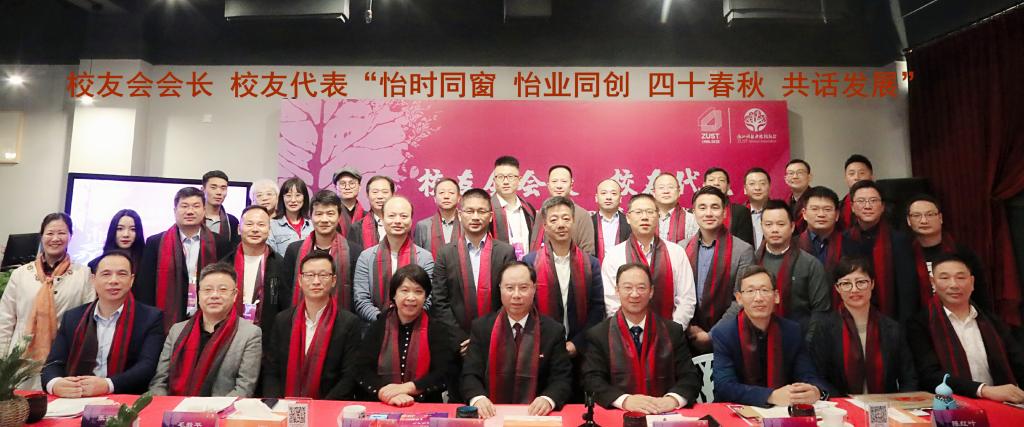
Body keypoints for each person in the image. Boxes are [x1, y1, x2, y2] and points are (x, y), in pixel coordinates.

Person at [582, 263, 702, 412]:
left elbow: (690, 377)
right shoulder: (599, 334)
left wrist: (672, 400)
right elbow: (592, 381)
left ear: (651, 291)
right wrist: (625, 401)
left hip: (663, 414)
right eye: (627, 287)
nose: (634, 294)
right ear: (617, 291)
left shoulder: (672, 331)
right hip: (619, 414)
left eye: (641, 288)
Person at [43, 251, 164, 396]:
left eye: (122, 274)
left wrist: (108, 385)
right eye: (106, 274)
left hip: (126, 399)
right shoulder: (73, 317)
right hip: (76, 397)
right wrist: (55, 384)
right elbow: (53, 364)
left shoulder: (151, 317)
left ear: (131, 280)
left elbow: (147, 367)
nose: (113, 280)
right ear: (93, 279)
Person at [906, 254, 1024, 403]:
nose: (954, 285)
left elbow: (1018, 362)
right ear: (933, 283)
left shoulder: (992, 322)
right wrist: (983, 390)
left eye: (961, 277)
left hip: (1000, 404)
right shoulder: (919, 324)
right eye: (944, 278)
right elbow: (929, 376)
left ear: (972, 282)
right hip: (947, 407)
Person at [461, 262, 572, 418]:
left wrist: (548, 399)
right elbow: (469, 375)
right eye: (509, 288)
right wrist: (478, 398)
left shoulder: (553, 330)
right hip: (491, 414)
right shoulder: (482, 327)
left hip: (535, 416)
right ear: (500, 289)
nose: (516, 295)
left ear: (534, 288)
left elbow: (562, 378)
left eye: (524, 288)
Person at [0, 213, 95, 389]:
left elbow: (88, 322)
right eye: (50, 233)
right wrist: (2, 361)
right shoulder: (21, 274)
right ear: (41, 236)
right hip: (21, 359)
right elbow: (5, 320)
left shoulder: (83, 275)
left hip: (62, 359)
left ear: (70, 236)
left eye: (62, 233)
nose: (55, 238)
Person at [711, 265, 829, 407]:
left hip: (783, 410)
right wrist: (770, 396)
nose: (758, 298)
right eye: (750, 291)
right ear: (739, 298)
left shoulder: (791, 331)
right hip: (735, 410)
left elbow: (807, 374)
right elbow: (725, 386)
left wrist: (815, 391)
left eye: (765, 290)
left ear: (776, 296)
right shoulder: (724, 333)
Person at [808, 257, 917, 396]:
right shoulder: (825, 328)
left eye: (861, 282)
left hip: (887, 405)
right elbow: (819, 378)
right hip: (840, 406)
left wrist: (901, 404)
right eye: (846, 284)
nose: (854, 290)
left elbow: (909, 378)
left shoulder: (892, 329)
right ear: (837, 288)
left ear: (872, 284)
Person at [149, 263, 262, 397]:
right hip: (174, 406)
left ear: (235, 295)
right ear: (199, 294)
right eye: (207, 290)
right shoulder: (177, 331)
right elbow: (160, 381)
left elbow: (244, 389)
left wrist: (209, 409)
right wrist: (168, 405)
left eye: (223, 290)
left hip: (221, 408)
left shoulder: (249, 334)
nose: (214, 295)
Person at [262, 251, 364, 399]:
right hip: (285, 406)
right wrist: (276, 404)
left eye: (323, 275)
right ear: (300, 280)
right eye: (309, 275)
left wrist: (320, 407)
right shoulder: (282, 320)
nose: (316, 281)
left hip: (328, 407)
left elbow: (349, 377)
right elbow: (272, 371)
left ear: (334, 280)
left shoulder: (349, 323)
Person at [429, 189, 518, 355]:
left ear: (490, 216)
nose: (475, 217)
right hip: (456, 344)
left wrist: (486, 336)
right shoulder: (446, 253)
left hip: (496, 339)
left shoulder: (505, 252)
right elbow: (439, 300)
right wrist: (460, 339)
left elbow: (510, 298)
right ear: (460, 215)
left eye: (481, 211)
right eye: (469, 211)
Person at [356, 264, 457, 405]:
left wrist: (409, 387)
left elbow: (444, 372)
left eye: (418, 291)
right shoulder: (379, 326)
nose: (411, 297)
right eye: (404, 290)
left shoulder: (437, 329)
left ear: (426, 296)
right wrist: (383, 392)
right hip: (382, 403)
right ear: (394, 294)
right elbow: (361, 369)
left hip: (425, 404)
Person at [136, 187, 232, 331]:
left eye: (196, 206)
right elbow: (145, 288)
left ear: (204, 210)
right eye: (184, 206)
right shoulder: (155, 243)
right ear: (175, 210)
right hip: (165, 320)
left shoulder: (221, 243)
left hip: (208, 320)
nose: (190, 211)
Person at [522, 197, 604, 362]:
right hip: (541, 348)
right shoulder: (530, 262)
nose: (561, 224)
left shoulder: (591, 264)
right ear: (545, 226)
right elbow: (526, 307)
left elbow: (597, 308)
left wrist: (577, 343)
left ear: (573, 222)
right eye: (554, 220)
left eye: (566, 219)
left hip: (581, 350)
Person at [601, 193, 696, 328]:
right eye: (638, 212)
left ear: (658, 216)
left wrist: (673, 330)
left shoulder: (676, 252)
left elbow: (687, 298)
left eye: (650, 212)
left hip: (670, 332)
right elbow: (611, 301)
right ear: (628, 218)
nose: (644, 217)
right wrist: (632, 331)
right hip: (626, 333)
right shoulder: (614, 255)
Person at [681, 186, 754, 353]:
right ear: (694, 213)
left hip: (729, 338)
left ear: (724, 212)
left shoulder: (743, 250)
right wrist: (689, 329)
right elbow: (677, 295)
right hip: (687, 338)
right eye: (702, 207)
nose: (708, 213)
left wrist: (711, 335)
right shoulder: (682, 248)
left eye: (714, 207)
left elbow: (741, 299)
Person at [741, 200, 830, 332]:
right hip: (758, 337)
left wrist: (808, 341)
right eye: (768, 224)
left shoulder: (810, 264)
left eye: (781, 224)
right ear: (761, 226)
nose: (774, 229)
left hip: (801, 337)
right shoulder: (752, 261)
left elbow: (821, 311)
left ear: (792, 227)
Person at [841, 180, 918, 321]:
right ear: (852, 207)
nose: (867, 206)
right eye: (861, 201)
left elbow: (907, 289)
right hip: (854, 316)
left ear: (882, 207)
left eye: (873, 200)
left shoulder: (898, 240)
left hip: (892, 317)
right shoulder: (844, 239)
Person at [905, 194, 992, 313]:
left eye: (930, 214)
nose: (924, 220)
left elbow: (980, 294)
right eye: (916, 215)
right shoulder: (904, 255)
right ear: (909, 221)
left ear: (940, 218)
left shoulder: (962, 253)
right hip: (919, 318)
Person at [354, 196, 435, 323]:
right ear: (382, 219)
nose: (397, 221)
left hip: (415, 326)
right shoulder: (366, 257)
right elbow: (361, 299)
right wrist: (384, 321)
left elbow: (428, 298)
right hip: (376, 326)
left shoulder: (425, 258)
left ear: (411, 220)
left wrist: (407, 318)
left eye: (404, 216)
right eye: (391, 216)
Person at [282, 190, 362, 311]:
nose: (324, 219)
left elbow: (356, 295)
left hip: (342, 319)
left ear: (339, 216)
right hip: (300, 318)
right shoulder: (294, 250)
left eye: (330, 214)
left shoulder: (354, 251)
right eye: (319, 214)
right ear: (311, 216)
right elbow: (286, 293)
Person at [220, 206, 285, 346]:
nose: (255, 229)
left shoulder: (280, 264)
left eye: (261, 225)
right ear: (239, 229)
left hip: (266, 339)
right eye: (249, 224)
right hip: (227, 335)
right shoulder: (225, 264)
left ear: (269, 229)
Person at [529, 165, 596, 256]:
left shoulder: (582, 215)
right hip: (541, 263)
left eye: (564, 181)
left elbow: (588, 252)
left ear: (571, 185)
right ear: (548, 185)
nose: (559, 186)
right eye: (554, 181)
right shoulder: (541, 213)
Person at [489, 155, 537, 260]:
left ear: (519, 180)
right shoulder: (487, 210)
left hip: (527, 267)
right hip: (498, 267)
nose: (506, 182)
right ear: (494, 180)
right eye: (500, 177)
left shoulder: (529, 210)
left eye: (510, 177)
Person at [797, 186, 844, 277]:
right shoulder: (792, 245)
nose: (821, 214)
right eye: (815, 209)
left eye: (827, 209)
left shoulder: (851, 246)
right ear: (804, 214)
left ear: (837, 215)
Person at [703, 167, 755, 245]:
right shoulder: (694, 213)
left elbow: (745, 246)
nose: (716, 183)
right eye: (711, 180)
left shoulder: (741, 212)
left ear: (728, 186)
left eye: (721, 180)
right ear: (704, 185)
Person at [414, 177, 461, 259]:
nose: (446, 196)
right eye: (441, 192)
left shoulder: (466, 224)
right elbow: (418, 257)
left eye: (451, 192)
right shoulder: (423, 226)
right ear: (435, 198)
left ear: (458, 198)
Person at [87, 209, 145, 273]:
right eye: (120, 229)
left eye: (133, 229)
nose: (126, 234)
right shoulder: (94, 265)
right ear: (112, 231)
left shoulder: (147, 263)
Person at [268, 177, 313, 255]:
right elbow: (271, 257)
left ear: (304, 198)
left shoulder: (313, 225)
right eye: (288, 195)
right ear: (282, 198)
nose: (293, 200)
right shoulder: (272, 226)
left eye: (298, 195)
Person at [348, 175, 394, 248]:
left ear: (392, 194)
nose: (380, 196)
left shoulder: (400, 223)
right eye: (375, 192)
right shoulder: (357, 228)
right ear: (367, 195)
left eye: (385, 192)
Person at [592, 179, 631, 263]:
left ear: (620, 198)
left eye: (613, 193)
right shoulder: (589, 223)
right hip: (595, 270)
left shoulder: (630, 223)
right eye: (604, 193)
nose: (608, 197)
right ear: (596, 198)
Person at [652, 172, 696, 244]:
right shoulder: (646, 218)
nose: (666, 191)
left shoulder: (692, 220)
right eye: (661, 187)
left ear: (679, 192)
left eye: (670, 187)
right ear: (654, 193)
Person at [201, 170, 240, 247]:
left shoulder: (232, 221)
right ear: (203, 190)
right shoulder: (194, 218)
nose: (219, 192)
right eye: (213, 187)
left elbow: (234, 250)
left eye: (223, 188)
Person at [839, 154, 874, 230]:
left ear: (871, 176)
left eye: (862, 173)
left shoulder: (883, 206)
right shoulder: (838, 207)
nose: (857, 177)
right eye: (851, 174)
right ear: (845, 178)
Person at [743, 167, 771, 249]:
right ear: (745, 189)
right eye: (752, 184)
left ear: (769, 187)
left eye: (762, 183)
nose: (757, 188)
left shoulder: (779, 212)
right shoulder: (738, 214)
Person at [334, 167, 367, 234]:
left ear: (359, 187)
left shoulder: (368, 217)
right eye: (342, 183)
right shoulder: (328, 216)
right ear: (335, 187)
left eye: (352, 183)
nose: (347, 187)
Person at [783, 159, 812, 235]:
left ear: (809, 177)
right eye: (791, 173)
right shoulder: (785, 203)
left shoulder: (816, 199)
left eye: (800, 173)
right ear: (785, 179)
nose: (795, 176)